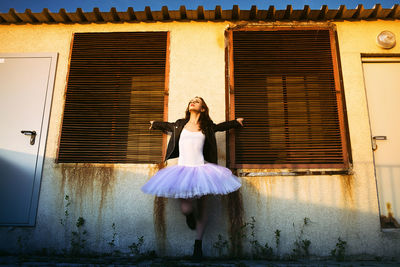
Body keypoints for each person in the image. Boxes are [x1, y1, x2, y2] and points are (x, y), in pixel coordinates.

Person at [141, 96, 244, 259]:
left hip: (202, 170)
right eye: (191, 100)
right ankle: (189, 215)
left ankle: (198, 246)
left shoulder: (207, 127)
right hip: (183, 171)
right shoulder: (179, 124)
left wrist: (235, 122)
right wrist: (155, 124)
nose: (193, 102)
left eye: (197, 101)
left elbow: (220, 127)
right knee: (186, 208)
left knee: (203, 207)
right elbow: (167, 126)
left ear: (203, 108)